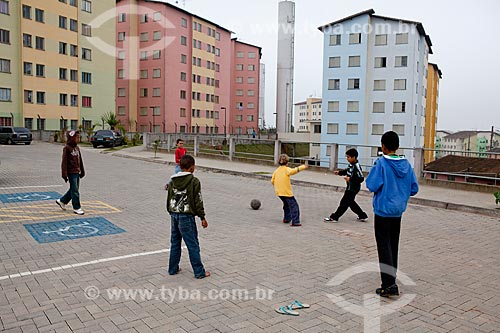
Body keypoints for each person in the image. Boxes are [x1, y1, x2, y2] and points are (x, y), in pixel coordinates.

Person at [366, 131, 419, 297]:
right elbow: (414, 188)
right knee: (393, 245)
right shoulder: (407, 165)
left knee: (383, 246)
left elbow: (372, 185)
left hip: (383, 211)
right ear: (397, 146)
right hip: (398, 212)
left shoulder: (381, 164)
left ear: (383, 146)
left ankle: (388, 285)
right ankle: (391, 279)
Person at [166, 154, 210, 279]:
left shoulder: (173, 181)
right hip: (186, 216)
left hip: (174, 214)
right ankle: (199, 272)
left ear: (180, 166)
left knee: (175, 243)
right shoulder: (194, 181)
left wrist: (171, 212)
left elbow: (169, 198)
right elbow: (198, 200)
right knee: (193, 245)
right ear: (192, 168)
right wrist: (202, 217)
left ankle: (172, 268)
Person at [324, 148, 368, 223]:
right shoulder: (351, 165)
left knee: (344, 203)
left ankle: (335, 217)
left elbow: (361, 178)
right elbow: (347, 171)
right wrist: (339, 173)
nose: (347, 159)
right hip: (349, 187)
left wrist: (350, 179)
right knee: (351, 203)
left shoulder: (357, 167)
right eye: (347, 157)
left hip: (353, 188)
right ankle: (362, 215)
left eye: (348, 157)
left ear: (354, 157)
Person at [271, 154, 308, 227]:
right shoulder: (287, 169)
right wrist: (303, 167)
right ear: (287, 162)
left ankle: (287, 218)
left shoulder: (276, 170)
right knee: (294, 206)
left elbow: (272, 181)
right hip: (286, 192)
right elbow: (294, 171)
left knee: (286, 205)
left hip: (279, 192)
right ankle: (295, 221)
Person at [56, 130, 85, 215]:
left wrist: (82, 171)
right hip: (71, 172)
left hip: (77, 171)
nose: (78, 139)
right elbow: (64, 162)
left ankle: (62, 201)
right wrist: (64, 174)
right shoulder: (67, 148)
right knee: (75, 190)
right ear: (72, 138)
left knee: (73, 189)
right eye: (76, 137)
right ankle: (77, 207)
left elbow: (80, 160)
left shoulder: (77, 148)